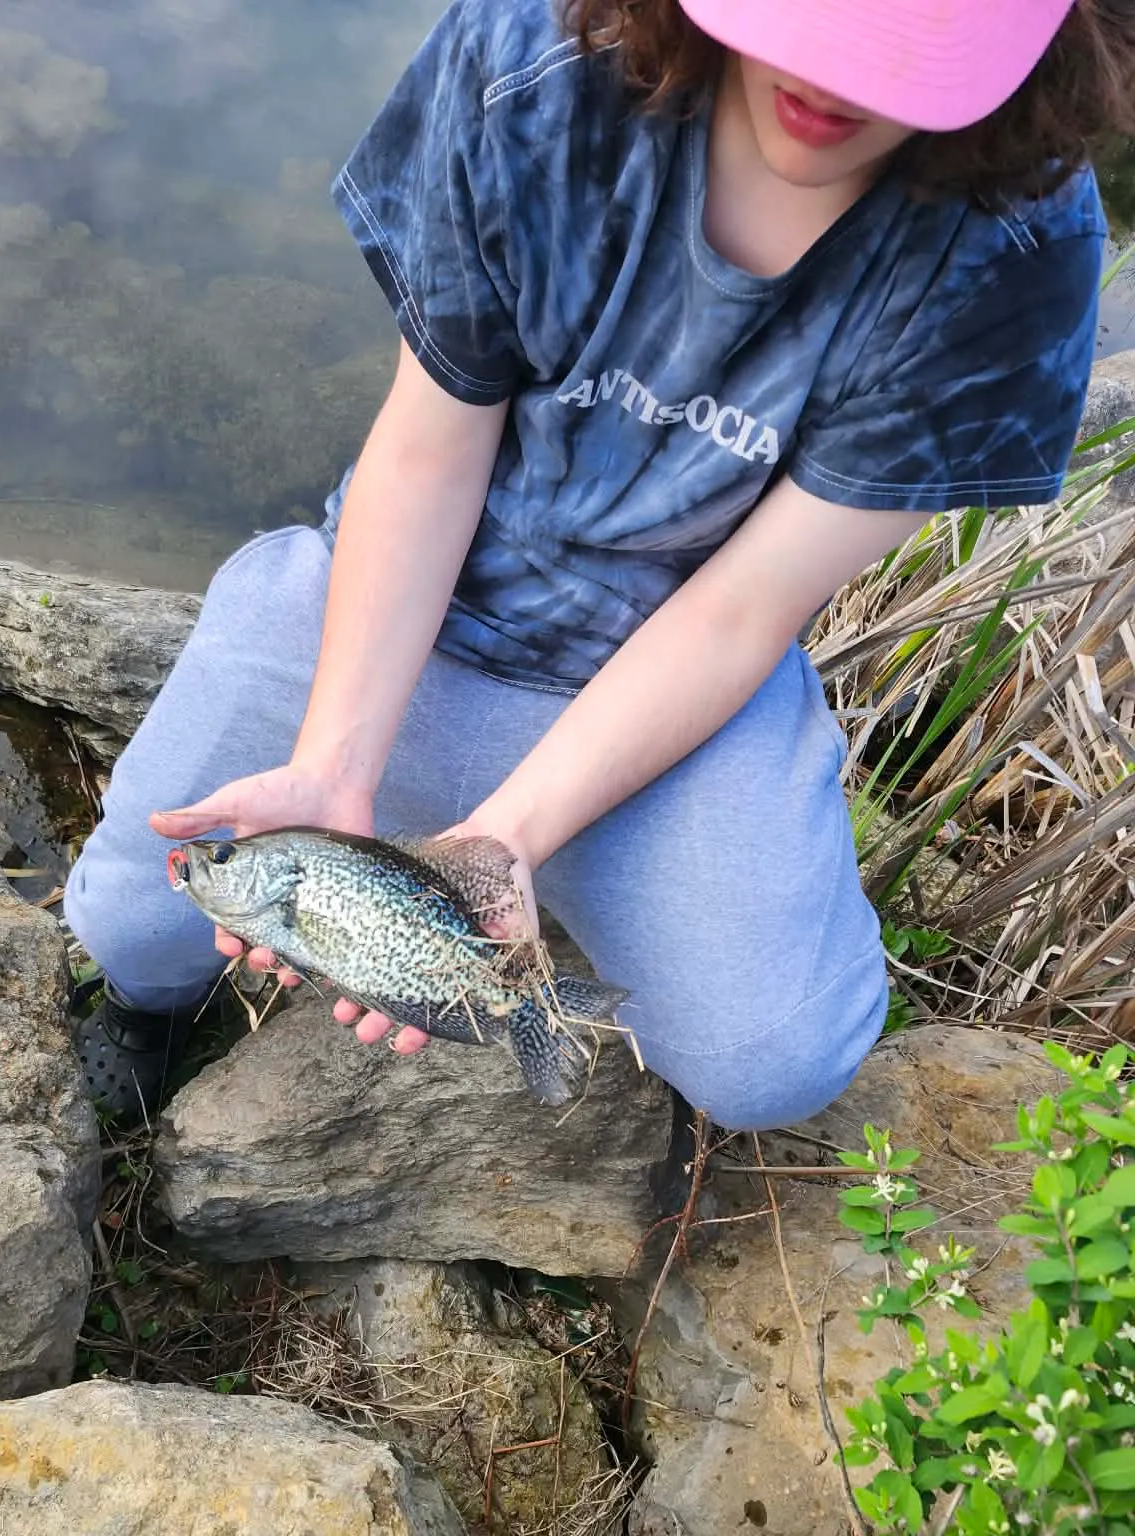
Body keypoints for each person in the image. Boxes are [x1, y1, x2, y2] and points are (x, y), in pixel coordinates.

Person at [64, 0, 1133, 1127]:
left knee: (771, 1063)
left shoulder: (1016, 251)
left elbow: (744, 607)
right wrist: (333, 767)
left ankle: (564, 856)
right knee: (129, 922)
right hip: (411, 603)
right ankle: (150, 1007)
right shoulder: (529, 62)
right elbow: (428, 454)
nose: (835, 84)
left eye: (910, 45)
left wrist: (503, 841)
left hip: (675, 678)